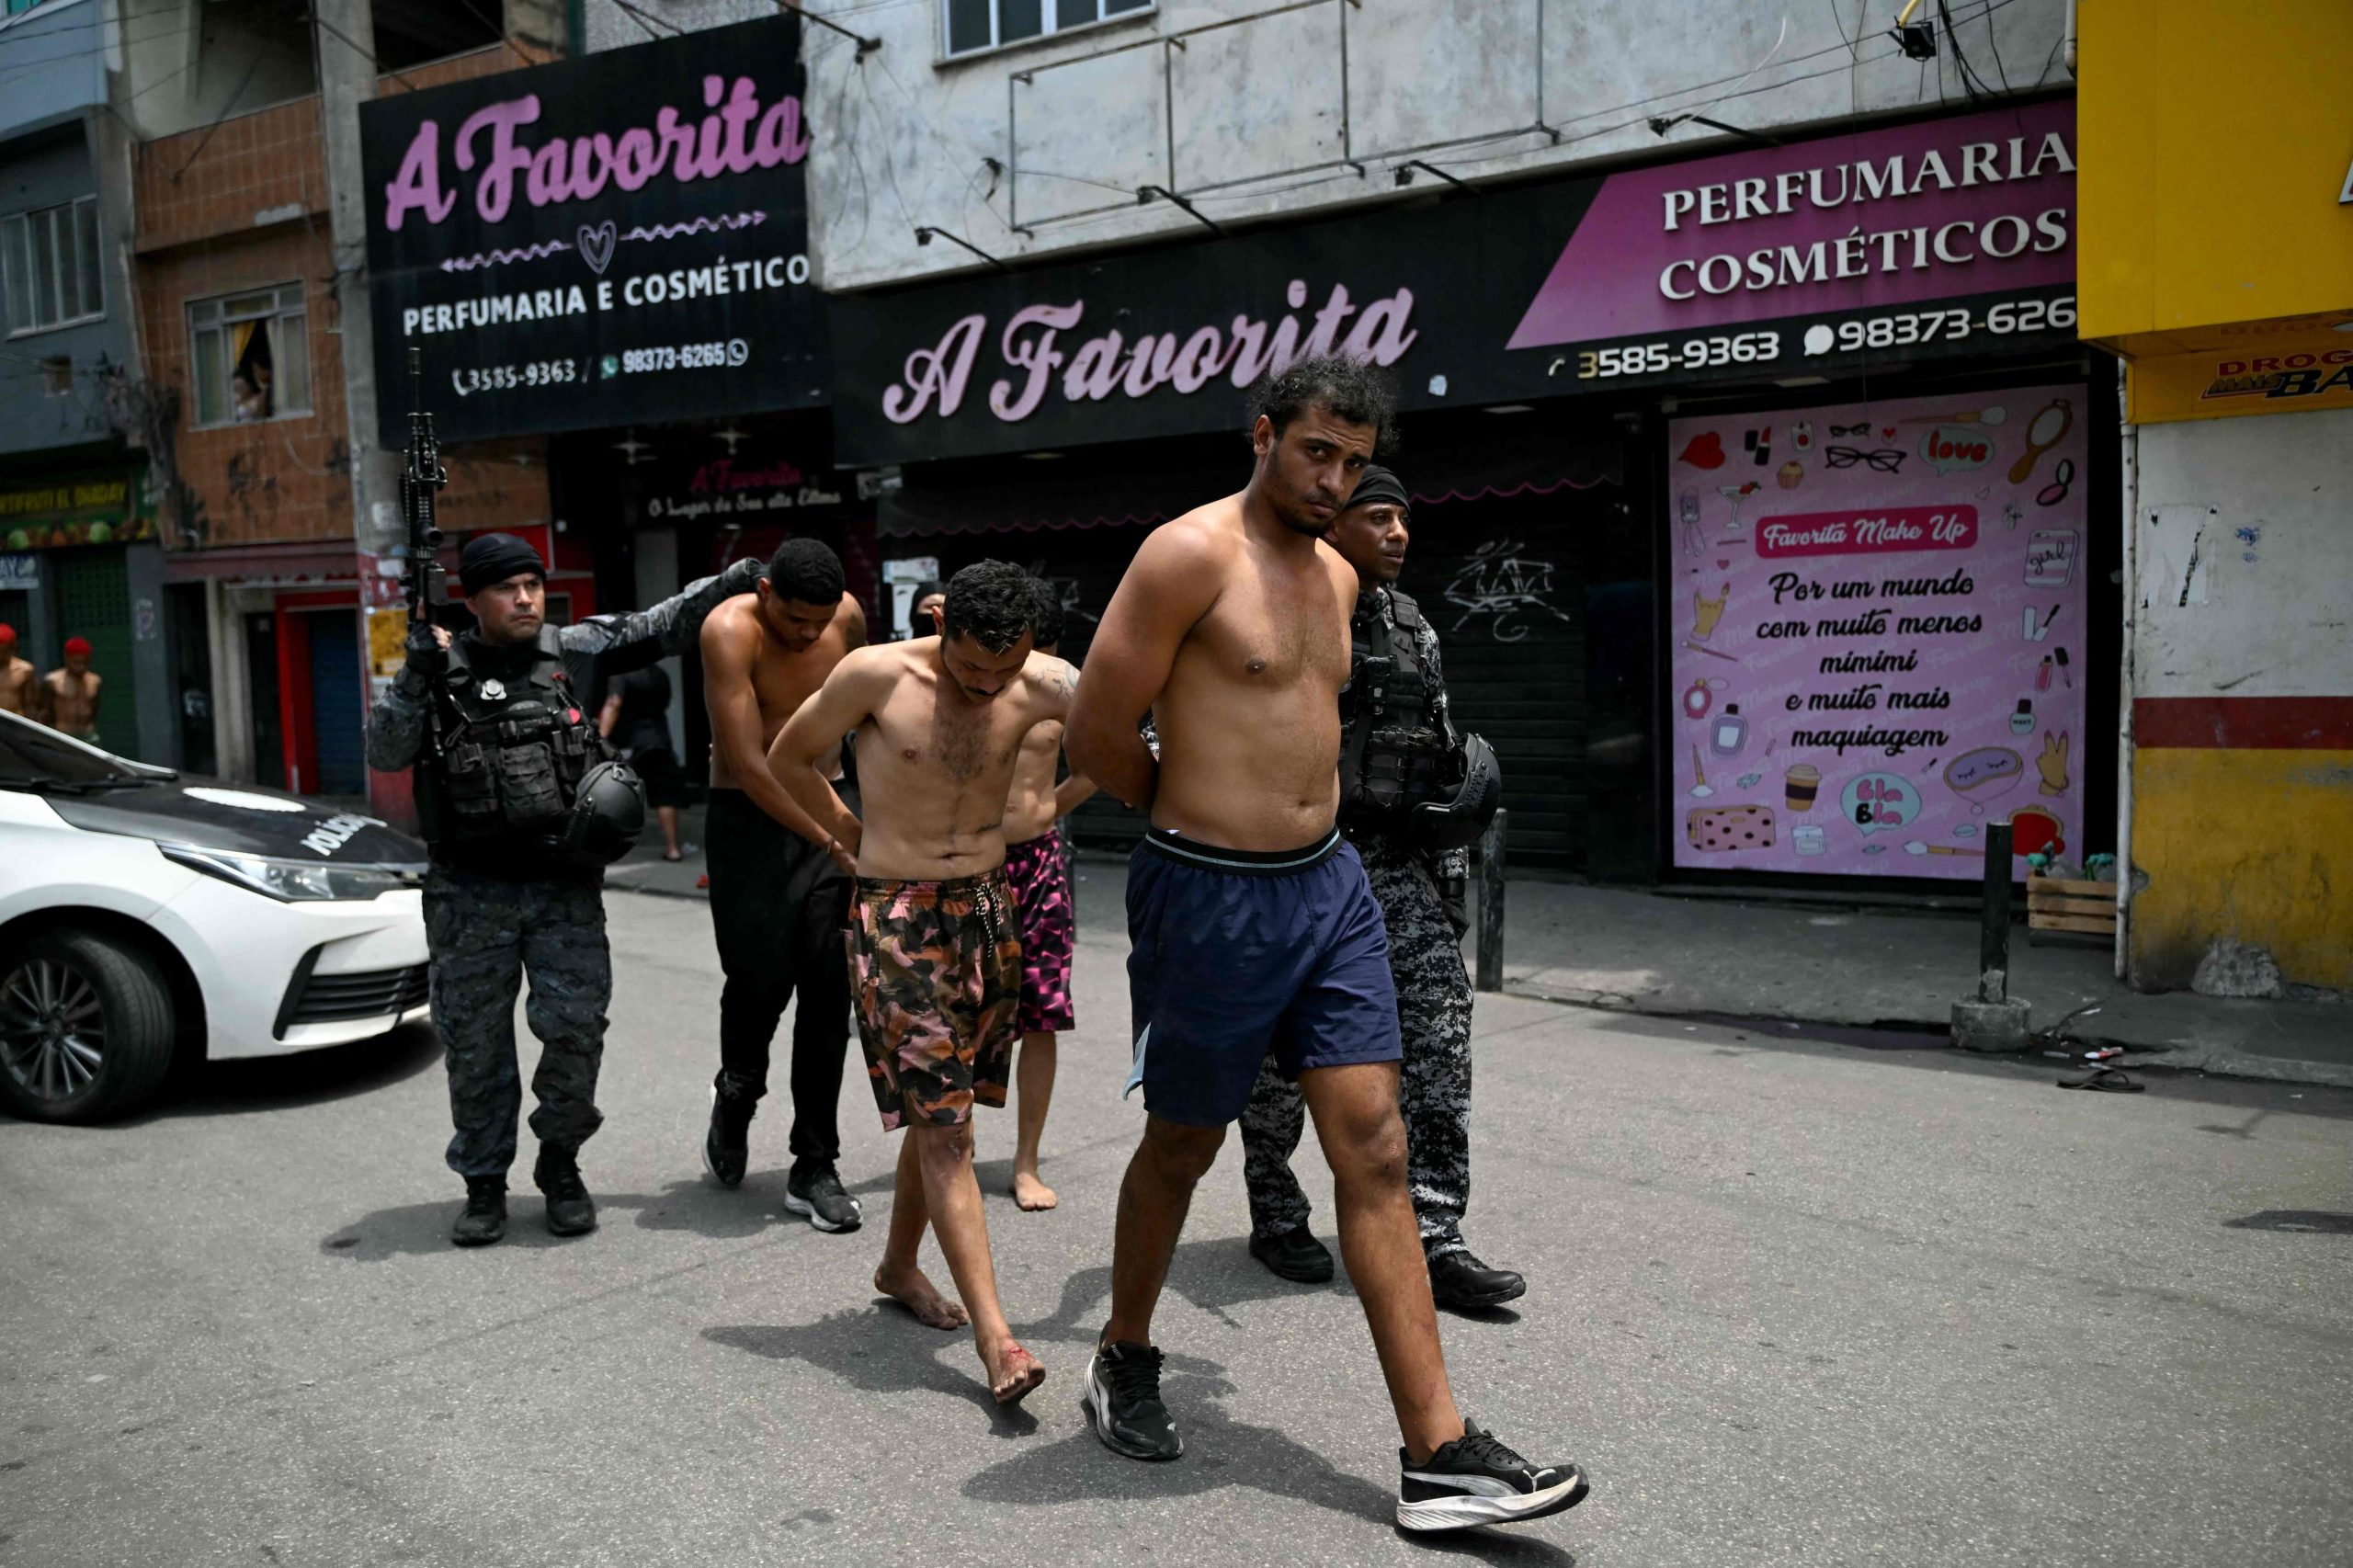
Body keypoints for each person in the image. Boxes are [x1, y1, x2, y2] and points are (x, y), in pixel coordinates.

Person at [1063, 355, 1585, 1533]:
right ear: (1262, 435)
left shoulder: (1341, 577)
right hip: (1210, 891)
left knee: (1377, 1150)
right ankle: (1126, 1351)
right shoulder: (1186, 554)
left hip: (1330, 884)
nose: (1335, 479)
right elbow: (1098, 727)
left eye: (1353, 461)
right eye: (1317, 453)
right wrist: (1193, 825)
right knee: (1184, 1143)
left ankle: (1438, 1451)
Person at [366, 532, 760, 1247]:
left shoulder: (570, 651)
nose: (523, 598)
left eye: (532, 585)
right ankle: (484, 1183)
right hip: (468, 892)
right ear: (474, 599)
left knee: (577, 1033)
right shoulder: (438, 667)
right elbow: (386, 752)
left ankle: (560, 1165)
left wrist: (732, 580)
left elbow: (656, 625)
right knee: (476, 1047)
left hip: (562, 889)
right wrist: (412, 675)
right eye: (505, 589)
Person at [767, 560, 1075, 1406]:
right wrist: (844, 835)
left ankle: (899, 1265)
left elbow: (1132, 726)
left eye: (1002, 671)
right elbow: (788, 756)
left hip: (987, 909)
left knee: (946, 1110)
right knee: (948, 1136)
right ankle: (998, 1341)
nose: (986, 686)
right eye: (971, 666)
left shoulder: (1046, 682)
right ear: (945, 630)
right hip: (896, 916)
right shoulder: (874, 673)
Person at [1236, 464, 1522, 1311]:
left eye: (1405, 517)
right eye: (1379, 517)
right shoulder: (1267, 611)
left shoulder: (1414, 629)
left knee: (1439, 1034)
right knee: (1277, 1062)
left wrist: (1450, 875)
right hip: (1289, 865)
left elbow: (1432, 748)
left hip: (1394, 866)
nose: (1398, 532)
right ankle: (1276, 1207)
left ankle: (1436, 1235)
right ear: (1331, 527)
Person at [698, 539, 867, 1229]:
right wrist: (831, 834)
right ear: (766, 592)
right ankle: (737, 1092)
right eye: (796, 620)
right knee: (759, 983)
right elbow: (747, 761)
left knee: (830, 992)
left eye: (818, 623)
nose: (808, 635)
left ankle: (814, 1162)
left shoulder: (845, 617)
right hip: (749, 818)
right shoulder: (729, 630)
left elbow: (869, 710)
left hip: (826, 802)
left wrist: (868, 820)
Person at [995, 577, 1096, 1210]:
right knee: (968, 1014)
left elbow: (1102, 757)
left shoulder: (1064, 682)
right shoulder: (970, 679)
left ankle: (1026, 1162)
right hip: (970, 862)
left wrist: (1047, 809)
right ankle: (957, 1142)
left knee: (1042, 1014)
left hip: (1039, 862)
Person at [599, 661, 689, 860]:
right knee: (665, 796)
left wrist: (600, 738)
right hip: (659, 740)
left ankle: (610, 850)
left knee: (615, 795)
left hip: (630, 743)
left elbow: (614, 703)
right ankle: (673, 849)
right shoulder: (660, 674)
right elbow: (665, 703)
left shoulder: (620, 675)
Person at [43, 637, 101, 745]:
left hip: (88, 736)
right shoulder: (53, 681)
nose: (81, 667)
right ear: (66, 658)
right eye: (77, 662)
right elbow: (46, 711)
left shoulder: (95, 681)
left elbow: (94, 708)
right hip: (63, 736)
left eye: (86, 662)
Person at [0, 624, 50, 723]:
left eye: (4, 651)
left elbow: (31, 706)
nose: (0, 656)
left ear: (12, 648)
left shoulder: (24, 670)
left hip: (15, 727)